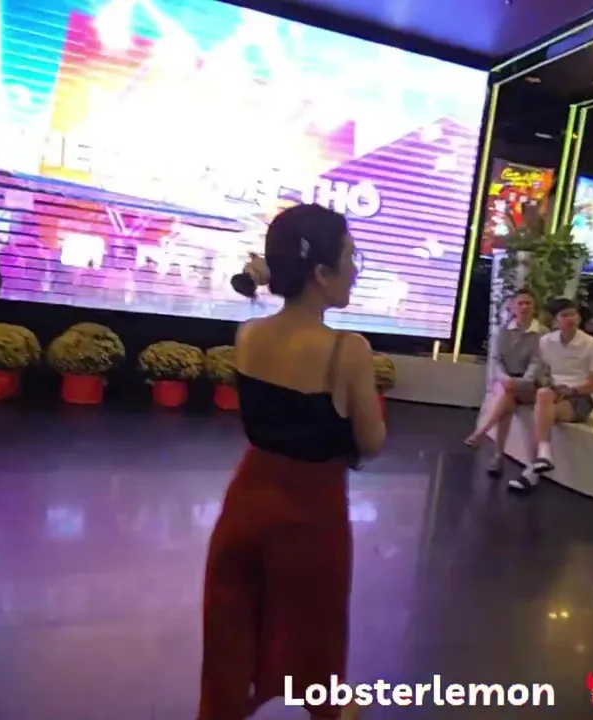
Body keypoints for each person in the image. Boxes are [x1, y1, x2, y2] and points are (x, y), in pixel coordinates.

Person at [206, 204, 384, 720]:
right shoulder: (349, 350)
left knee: (233, 622)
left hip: (246, 500)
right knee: (316, 626)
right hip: (313, 509)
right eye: (351, 257)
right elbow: (371, 441)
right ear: (322, 273)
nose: (356, 269)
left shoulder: (249, 334)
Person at [511, 298, 593, 491]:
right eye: (565, 315)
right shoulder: (546, 342)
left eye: (574, 314)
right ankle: (542, 456)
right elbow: (544, 371)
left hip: (581, 396)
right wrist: (549, 385)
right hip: (554, 393)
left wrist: (570, 390)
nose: (571, 319)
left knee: (542, 415)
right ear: (555, 321)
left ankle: (535, 467)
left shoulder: (592, 345)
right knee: (543, 395)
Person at [465, 288, 543, 476]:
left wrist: (520, 381)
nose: (524, 307)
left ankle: (482, 433)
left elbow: (537, 363)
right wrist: (504, 378)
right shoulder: (501, 332)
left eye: (528, 303)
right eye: (520, 303)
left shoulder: (542, 334)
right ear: (513, 307)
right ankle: (498, 455)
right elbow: (495, 360)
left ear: (534, 308)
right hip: (507, 382)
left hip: (531, 384)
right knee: (507, 400)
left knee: (508, 393)